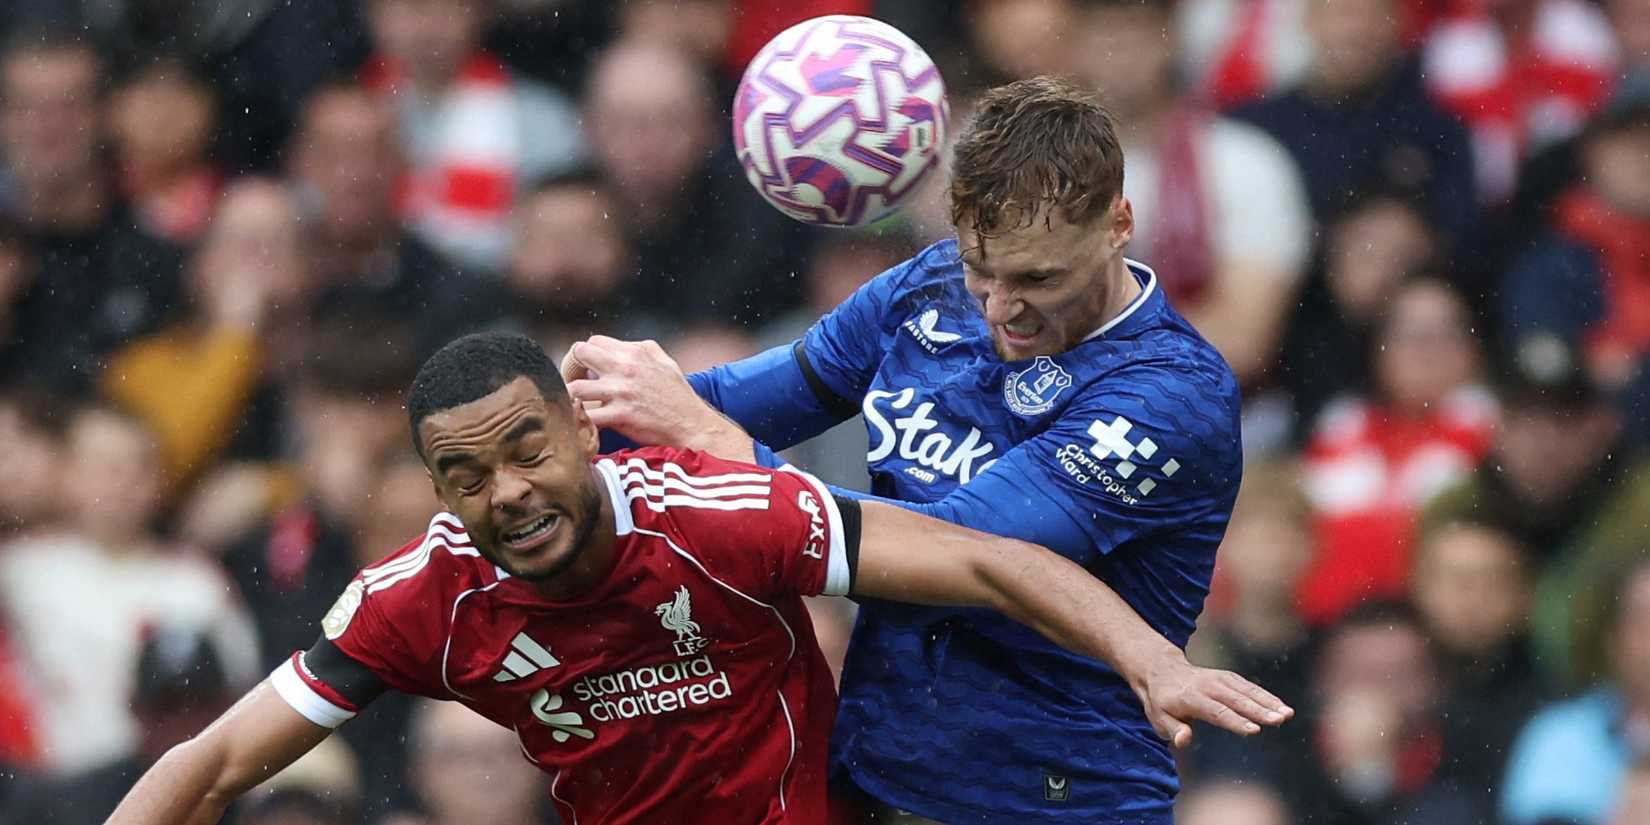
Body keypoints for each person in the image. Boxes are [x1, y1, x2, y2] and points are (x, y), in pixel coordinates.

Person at [105, 332, 1288, 825]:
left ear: (583, 429)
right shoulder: (423, 597)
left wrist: (1150, 659)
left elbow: (986, 559)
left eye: (527, 450)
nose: (507, 490)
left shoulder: (719, 517)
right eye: (467, 476)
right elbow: (212, 762)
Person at [562, 77, 1269, 823]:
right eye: (980, 268)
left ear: (1118, 223)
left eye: (1038, 277)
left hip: (1052, 798)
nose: (1001, 309)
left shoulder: (1169, 394)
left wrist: (712, 441)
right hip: (872, 773)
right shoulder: (929, 286)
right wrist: (557, 426)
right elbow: (736, 399)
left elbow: (955, 551)